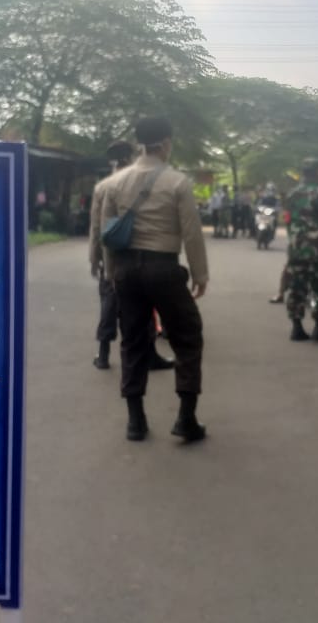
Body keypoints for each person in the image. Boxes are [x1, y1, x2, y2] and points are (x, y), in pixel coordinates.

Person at [101, 117, 209, 443]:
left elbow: (108, 235)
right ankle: (185, 418)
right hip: (163, 269)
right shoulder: (177, 182)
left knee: (133, 341)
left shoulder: (115, 183)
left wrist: (111, 275)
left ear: (139, 145)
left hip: (126, 271)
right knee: (187, 337)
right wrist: (200, 274)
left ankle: (136, 421)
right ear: (165, 144)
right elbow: (191, 233)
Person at [88, 141, 175, 371]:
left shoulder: (104, 185)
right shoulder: (144, 182)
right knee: (143, 306)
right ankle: (148, 355)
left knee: (109, 302)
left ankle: (104, 353)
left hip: (112, 256)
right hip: (140, 256)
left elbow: (96, 227)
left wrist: (93, 258)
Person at [283, 158, 318, 343]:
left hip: (297, 249)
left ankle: (296, 328)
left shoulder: (291, 195)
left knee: (297, 287)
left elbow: (288, 222)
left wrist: (293, 244)